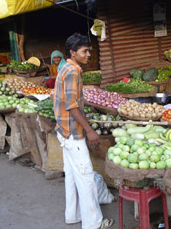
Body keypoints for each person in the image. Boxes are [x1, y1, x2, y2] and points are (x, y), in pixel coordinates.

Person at [53, 33, 114, 229]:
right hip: (73, 133)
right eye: (85, 51)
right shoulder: (72, 71)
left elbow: (70, 101)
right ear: (73, 53)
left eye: (89, 50)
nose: (89, 54)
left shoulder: (65, 68)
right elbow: (71, 105)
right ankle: (94, 223)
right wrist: (89, 130)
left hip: (64, 131)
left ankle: (73, 215)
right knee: (86, 177)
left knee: (71, 176)